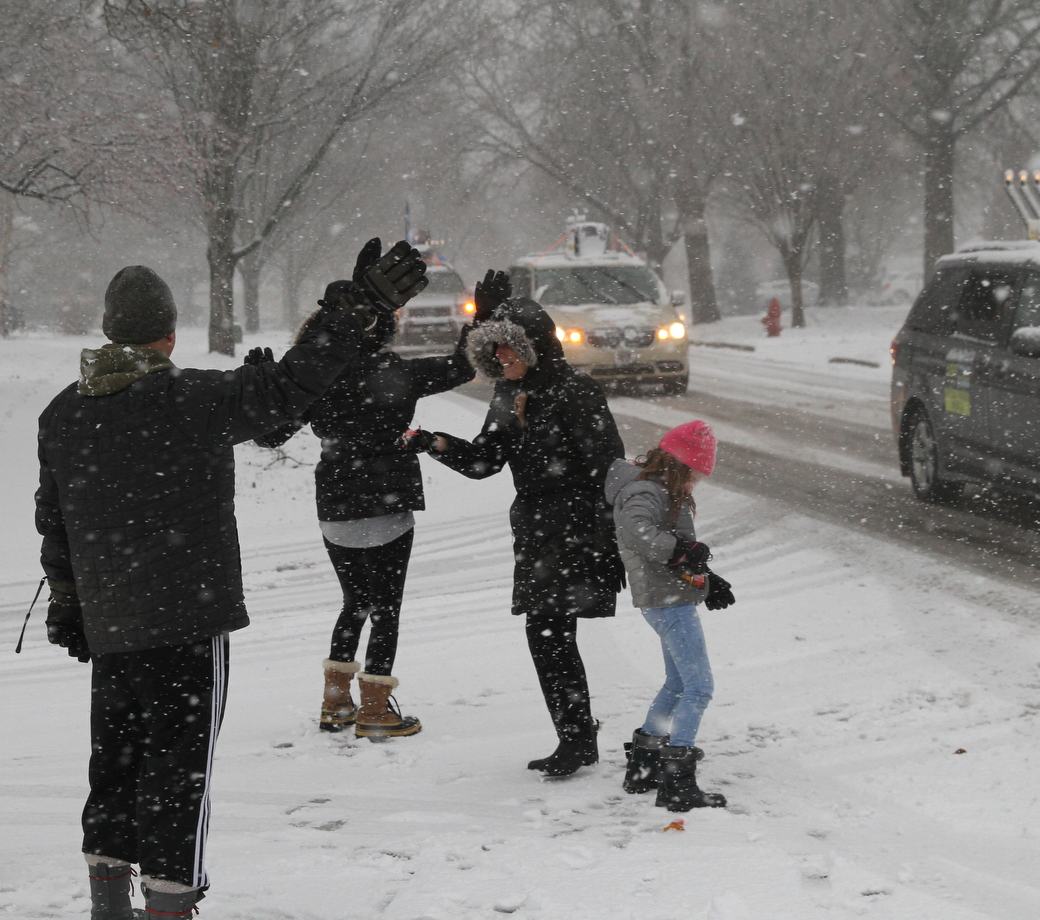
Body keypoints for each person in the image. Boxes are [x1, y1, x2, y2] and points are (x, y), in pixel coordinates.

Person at [36, 244, 425, 920]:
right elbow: (288, 391)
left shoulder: (64, 414)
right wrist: (351, 318)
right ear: (169, 335)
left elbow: (52, 521)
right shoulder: (190, 400)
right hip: (185, 617)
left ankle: (111, 918)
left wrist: (68, 602)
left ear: (110, 331)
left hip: (110, 624)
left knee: (115, 762)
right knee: (179, 772)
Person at [251, 251, 485, 740]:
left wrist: (261, 388)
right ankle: (376, 711)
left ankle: (335, 702)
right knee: (386, 609)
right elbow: (463, 368)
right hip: (387, 501)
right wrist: (479, 319)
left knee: (353, 601)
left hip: (334, 502)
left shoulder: (314, 377)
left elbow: (270, 436)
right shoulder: (393, 372)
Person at [407, 287, 625, 776]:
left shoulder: (576, 392)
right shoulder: (511, 393)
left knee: (549, 634)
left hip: (576, 529)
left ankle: (578, 737)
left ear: (533, 348)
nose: (499, 356)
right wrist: (434, 442)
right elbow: (485, 460)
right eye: (493, 348)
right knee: (548, 635)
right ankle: (577, 735)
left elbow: (607, 469)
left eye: (507, 347)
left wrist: (611, 542)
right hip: (535, 531)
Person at [603, 420, 735, 812]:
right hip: (668, 603)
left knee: (678, 684)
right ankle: (678, 780)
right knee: (699, 687)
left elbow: (674, 552)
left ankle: (644, 765)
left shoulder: (659, 488)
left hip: (666, 598)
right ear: (680, 464)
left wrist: (708, 581)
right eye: (694, 474)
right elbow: (635, 530)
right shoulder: (647, 489)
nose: (695, 483)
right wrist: (681, 553)